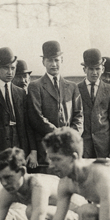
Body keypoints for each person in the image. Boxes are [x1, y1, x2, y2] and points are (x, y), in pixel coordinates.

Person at [26, 41, 82, 171]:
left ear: (61, 60)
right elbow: (36, 117)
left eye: (56, 60)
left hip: (69, 148)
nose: (54, 64)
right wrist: (59, 135)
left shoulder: (72, 87)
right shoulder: (36, 86)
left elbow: (79, 115)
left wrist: (71, 136)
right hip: (47, 149)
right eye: (49, 60)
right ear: (43, 62)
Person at [0, 47, 34, 164]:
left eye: (12, 68)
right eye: (6, 68)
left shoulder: (21, 93)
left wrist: (30, 150)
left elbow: (27, 124)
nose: (10, 72)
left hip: (19, 150)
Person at [78, 49, 110, 160]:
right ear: (84, 69)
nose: (94, 72)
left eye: (97, 69)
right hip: (83, 147)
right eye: (91, 69)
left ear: (102, 69)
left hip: (104, 148)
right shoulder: (76, 89)